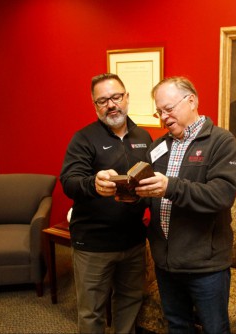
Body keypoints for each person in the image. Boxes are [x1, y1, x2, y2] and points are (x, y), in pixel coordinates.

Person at [135, 76, 236, 333]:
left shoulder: (221, 142)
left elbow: (221, 195)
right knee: (177, 326)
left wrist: (170, 187)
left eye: (169, 109)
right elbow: (150, 193)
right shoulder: (158, 146)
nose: (163, 117)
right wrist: (131, 193)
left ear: (192, 100)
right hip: (166, 262)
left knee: (214, 328)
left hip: (205, 266)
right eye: (159, 111)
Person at [60, 73, 152, 334]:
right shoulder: (84, 139)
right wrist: (93, 184)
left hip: (133, 241)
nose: (111, 105)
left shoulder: (144, 137)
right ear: (95, 105)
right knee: (91, 312)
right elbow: (69, 180)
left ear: (126, 98)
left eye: (116, 97)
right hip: (94, 244)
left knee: (129, 302)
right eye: (103, 101)